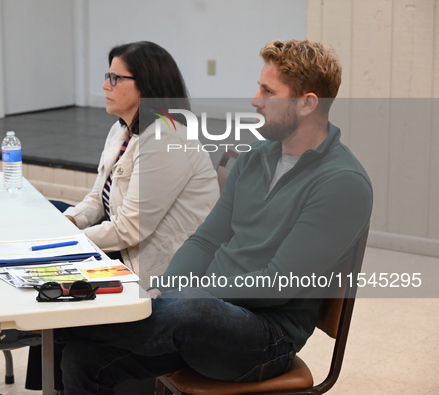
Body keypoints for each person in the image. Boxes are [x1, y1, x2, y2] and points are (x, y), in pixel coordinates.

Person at [54, 39, 374, 394]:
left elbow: (278, 283)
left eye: (268, 91)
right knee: (83, 357)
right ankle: (61, 321)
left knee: (191, 310)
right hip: (207, 315)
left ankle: (49, 322)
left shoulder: (342, 183)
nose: (255, 99)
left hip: (268, 336)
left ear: (307, 103)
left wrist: (185, 296)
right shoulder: (256, 157)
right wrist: (167, 289)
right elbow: (206, 239)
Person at [61, 41, 219, 288]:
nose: (105, 85)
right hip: (126, 249)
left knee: (48, 263)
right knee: (52, 212)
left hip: (152, 268)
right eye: (107, 76)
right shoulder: (121, 128)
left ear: (146, 85)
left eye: (115, 78)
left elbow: (128, 230)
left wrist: (65, 240)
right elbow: (97, 198)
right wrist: (68, 222)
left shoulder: (165, 138)